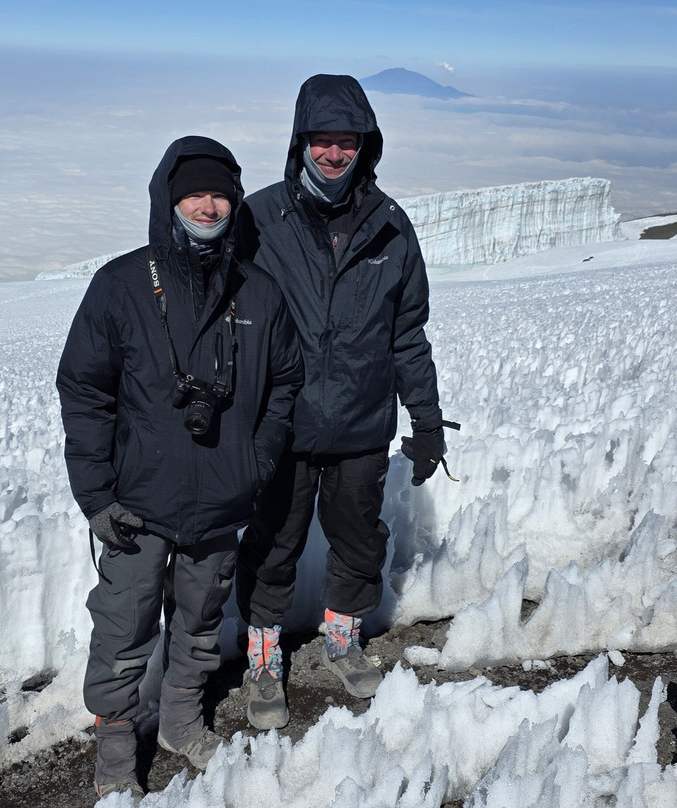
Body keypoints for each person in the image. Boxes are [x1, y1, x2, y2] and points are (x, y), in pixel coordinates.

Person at [57, 135, 302, 798]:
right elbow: (83, 389)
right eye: (193, 191)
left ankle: (180, 718)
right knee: (123, 620)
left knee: (199, 615)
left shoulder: (259, 295)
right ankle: (114, 737)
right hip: (138, 499)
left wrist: (257, 459)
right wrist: (96, 494)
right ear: (168, 198)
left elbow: (285, 381)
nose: (207, 203)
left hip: (222, 498)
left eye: (219, 192)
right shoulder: (122, 286)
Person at [234, 74, 452, 726]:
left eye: (346, 140)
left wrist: (428, 418)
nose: (334, 154)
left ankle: (340, 639)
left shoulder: (391, 227)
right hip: (283, 422)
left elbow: (407, 334)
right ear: (301, 141)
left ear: (366, 144)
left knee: (358, 540)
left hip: (360, 422)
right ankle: (263, 656)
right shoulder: (260, 218)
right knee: (272, 542)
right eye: (322, 140)